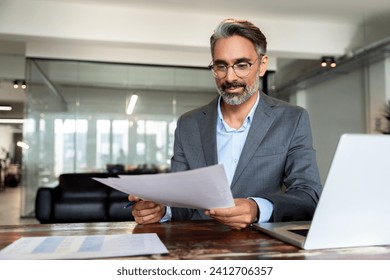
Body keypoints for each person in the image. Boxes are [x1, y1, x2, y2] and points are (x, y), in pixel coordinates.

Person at [129, 18, 322, 230]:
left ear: (262, 65)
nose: (230, 78)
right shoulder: (188, 124)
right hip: (199, 246)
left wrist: (256, 208)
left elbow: (308, 195)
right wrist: (162, 210)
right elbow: (183, 201)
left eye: (241, 65)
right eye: (221, 66)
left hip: (262, 249)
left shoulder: (291, 119)